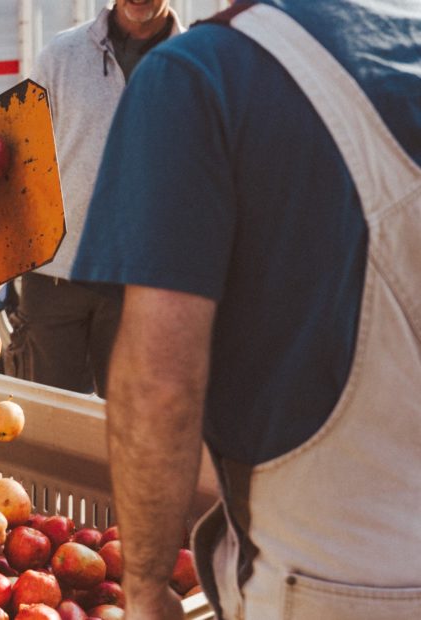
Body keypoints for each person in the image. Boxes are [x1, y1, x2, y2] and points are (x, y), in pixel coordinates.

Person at [72, 1, 421, 618]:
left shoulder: (197, 76)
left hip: (333, 577)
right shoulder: (407, 46)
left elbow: (160, 384)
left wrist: (148, 586)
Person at [2, 0, 185, 397]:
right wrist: (4, 256)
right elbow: (20, 156)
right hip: (55, 274)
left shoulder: (193, 65)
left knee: (129, 423)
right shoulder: (61, 54)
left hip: (140, 282)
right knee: (52, 416)